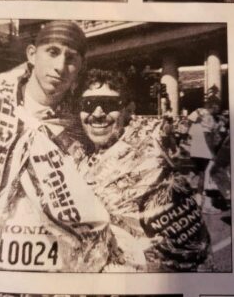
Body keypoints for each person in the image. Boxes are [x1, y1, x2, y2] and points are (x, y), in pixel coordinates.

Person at [0, 21, 112, 272]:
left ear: (80, 66)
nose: (60, 67)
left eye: (71, 58)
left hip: (50, 261)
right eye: (52, 52)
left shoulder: (80, 126)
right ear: (31, 54)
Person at [77, 68, 212, 272]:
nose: (97, 113)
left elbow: (202, 126)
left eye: (109, 104)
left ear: (128, 110)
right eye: (88, 104)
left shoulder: (152, 136)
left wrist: (197, 188)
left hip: (167, 278)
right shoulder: (76, 156)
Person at [188, 95, 221, 214]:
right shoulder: (208, 117)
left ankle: (197, 202)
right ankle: (207, 205)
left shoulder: (198, 114)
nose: (219, 110)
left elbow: (189, 128)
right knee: (208, 178)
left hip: (195, 151)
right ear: (214, 106)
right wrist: (212, 153)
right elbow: (207, 136)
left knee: (202, 175)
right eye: (218, 107)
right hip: (205, 152)